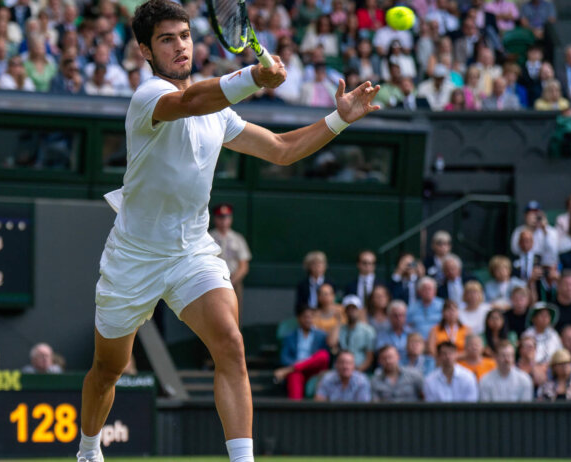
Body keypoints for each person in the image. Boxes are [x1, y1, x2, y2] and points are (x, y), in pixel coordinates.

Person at [77, 0, 382, 458]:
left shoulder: (219, 112)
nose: (180, 45)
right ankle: (88, 449)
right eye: (166, 39)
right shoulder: (148, 97)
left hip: (191, 253)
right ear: (145, 50)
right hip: (133, 257)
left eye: (184, 35)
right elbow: (191, 100)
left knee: (231, 344)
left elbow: (281, 149)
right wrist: (255, 77)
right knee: (108, 369)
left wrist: (337, 119)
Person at [275, 305, 331, 400]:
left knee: (323, 354)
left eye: (311, 317)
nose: (308, 320)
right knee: (294, 376)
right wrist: (297, 366)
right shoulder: (290, 336)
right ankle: (296, 411)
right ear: (299, 318)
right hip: (297, 370)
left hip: (315, 370)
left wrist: (293, 367)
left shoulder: (322, 335)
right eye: (305, 317)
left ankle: (291, 369)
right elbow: (284, 357)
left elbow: (325, 358)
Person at [209, 203, 252, 314]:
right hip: (213, 281)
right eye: (220, 218)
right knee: (213, 312)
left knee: (234, 312)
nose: (223, 221)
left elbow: (244, 265)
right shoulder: (208, 238)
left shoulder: (237, 238)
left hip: (234, 281)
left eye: (227, 217)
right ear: (215, 219)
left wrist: (232, 280)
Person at [511, 201, 559, 267]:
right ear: (525, 216)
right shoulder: (519, 231)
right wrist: (529, 230)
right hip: (525, 265)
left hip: (544, 266)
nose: (533, 217)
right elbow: (515, 251)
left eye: (536, 214)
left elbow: (553, 252)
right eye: (530, 214)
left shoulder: (550, 231)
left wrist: (544, 230)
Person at [336, 295, 376, 372]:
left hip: (360, 370)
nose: (351, 311)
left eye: (354, 308)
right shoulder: (340, 329)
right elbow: (331, 343)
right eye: (348, 309)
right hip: (341, 370)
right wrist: (338, 321)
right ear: (344, 311)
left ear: (359, 310)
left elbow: (369, 357)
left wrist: (357, 371)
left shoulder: (368, 330)